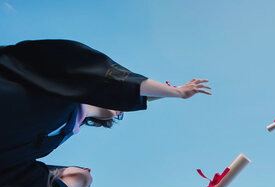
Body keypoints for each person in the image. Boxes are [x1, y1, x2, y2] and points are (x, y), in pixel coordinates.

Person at [0, 39, 211, 170]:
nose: (122, 109)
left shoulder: (57, 137)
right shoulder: (62, 80)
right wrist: (177, 92)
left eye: (121, 113)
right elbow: (106, 78)